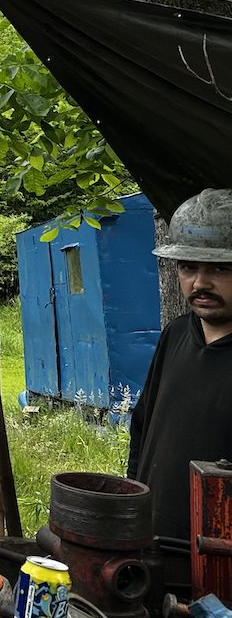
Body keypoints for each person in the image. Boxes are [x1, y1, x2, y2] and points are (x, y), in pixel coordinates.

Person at [127, 188, 232, 541]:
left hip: (218, 557)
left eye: (220, 268)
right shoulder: (176, 335)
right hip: (153, 546)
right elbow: (141, 427)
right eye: (188, 267)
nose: (200, 283)